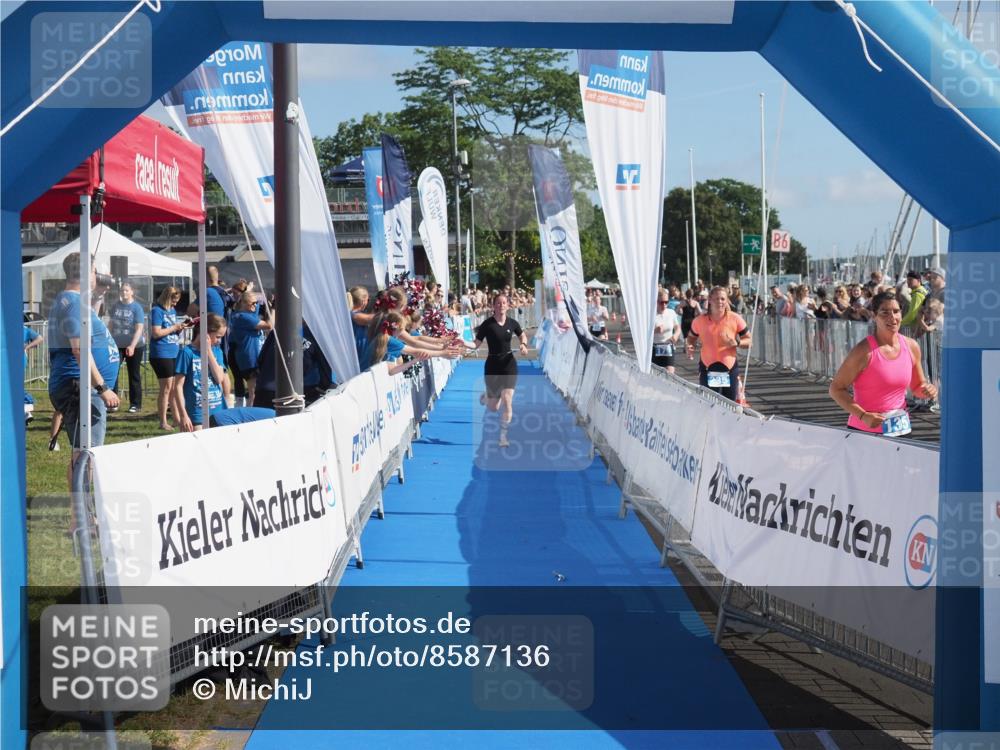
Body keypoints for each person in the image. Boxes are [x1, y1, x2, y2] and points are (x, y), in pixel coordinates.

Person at [47, 253, 121, 502]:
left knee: (84, 452)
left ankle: (82, 515)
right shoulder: (72, 304)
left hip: (83, 386)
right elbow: (79, 349)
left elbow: (91, 322)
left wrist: (98, 294)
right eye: (94, 269)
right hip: (82, 387)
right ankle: (82, 517)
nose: (97, 274)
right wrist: (101, 388)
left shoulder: (75, 302)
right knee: (86, 454)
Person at [829, 291, 938, 435]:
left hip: (901, 430)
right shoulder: (863, 351)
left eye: (896, 311)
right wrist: (863, 415)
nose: (892, 317)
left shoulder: (912, 346)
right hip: (866, 432)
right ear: (874, 316)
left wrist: (928, 390)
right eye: (884, 313)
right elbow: (836, 389)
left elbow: (918, 386)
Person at [469, 294, 528, 448]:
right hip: (492, 365)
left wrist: (523, 345)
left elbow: (523, 336)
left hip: (509, 364)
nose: (501, 305)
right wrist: (463, 345)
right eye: (498, 303)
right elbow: (475, 344)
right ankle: (486, 397)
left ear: (508, 305)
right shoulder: (487, 325)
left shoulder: (512, 323)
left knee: (507, 399)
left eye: (504, 303)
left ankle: (503, 436)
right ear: (493, 306)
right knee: (493, 407)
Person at [685, 286, 752, 402]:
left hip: (729, 370)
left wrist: (737, 342)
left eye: (722, 299)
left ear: (727, 301)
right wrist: (689, 346)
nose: (720, 302)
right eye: (716, 299)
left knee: (730, 406)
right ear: (710, 300)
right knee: (709, 405)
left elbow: (749, 341)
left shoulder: (735, 319)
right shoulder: (699, 321)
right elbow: (691, 338)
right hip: (707, 370)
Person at [172, 314, 229, 431]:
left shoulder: (217, 351)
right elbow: (177, 386)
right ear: (205, 333)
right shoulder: (187, 353)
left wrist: (208, 351)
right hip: (196, 414)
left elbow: (219, 378)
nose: (219, 341)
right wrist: (183, 415)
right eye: (217, 337)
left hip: (217, 412)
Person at [149, 286, 190, 430]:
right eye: (174, 300)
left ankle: (177, 419)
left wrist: (179, 329)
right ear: (167, 298)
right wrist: (174, 328)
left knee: (173, 388)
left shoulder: (172, 311)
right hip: (161, 353)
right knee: (166, 388)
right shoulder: (157, 311)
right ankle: (163, 421)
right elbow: (156, 333)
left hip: (173, 351)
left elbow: (170, 332)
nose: (175, 304)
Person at [229, 290, 274, 406]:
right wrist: (273, 308)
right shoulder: (242, 316)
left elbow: (255, 304)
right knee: (253, 392)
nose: (255, 305)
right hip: (249, 359)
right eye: (252, 303)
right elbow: (269, 325)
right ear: (244, 303)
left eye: (256, 303)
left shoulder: (248, 313)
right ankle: (250, 415)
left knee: (255, 390)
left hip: (253, 357)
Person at [109, 282, 145, 413]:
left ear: (132, 292)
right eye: (122, 290)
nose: (124, 293)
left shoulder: (137, 308)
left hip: (134, 345)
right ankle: (112, 402)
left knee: (133, 374)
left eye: (126, 290)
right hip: (117, 344)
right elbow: (111, 324)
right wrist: (108, 340)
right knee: (113, 372)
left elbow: (139, 328)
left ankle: (135, 404)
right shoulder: (115, 306)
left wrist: (132, 345)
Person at [652, 290, 681, 374]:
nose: (664, 305)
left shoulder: (671, 313)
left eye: (666, 302)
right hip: (655, 347)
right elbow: (643, 334)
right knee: (656, 375)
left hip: (668, 346)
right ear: (656, 302)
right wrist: (655, 331)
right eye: (661, 302)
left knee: (670, 373)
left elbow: (677, 327)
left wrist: (675, 335)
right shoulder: (651, 315)